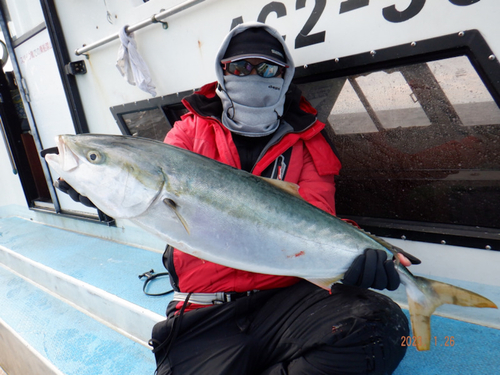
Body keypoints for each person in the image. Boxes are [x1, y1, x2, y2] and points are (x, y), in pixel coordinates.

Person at [58, 22, 419, 375]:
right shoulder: (188, 132)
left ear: (285, 76)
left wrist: (364, 255)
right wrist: (101, 192)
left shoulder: (308, 143)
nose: (253, 76)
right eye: (240, 67)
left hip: (287, 301)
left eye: (267, 68)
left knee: (380, 327)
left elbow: (314, 221)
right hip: (204, 309)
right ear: (222, 72)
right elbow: (142, 194)